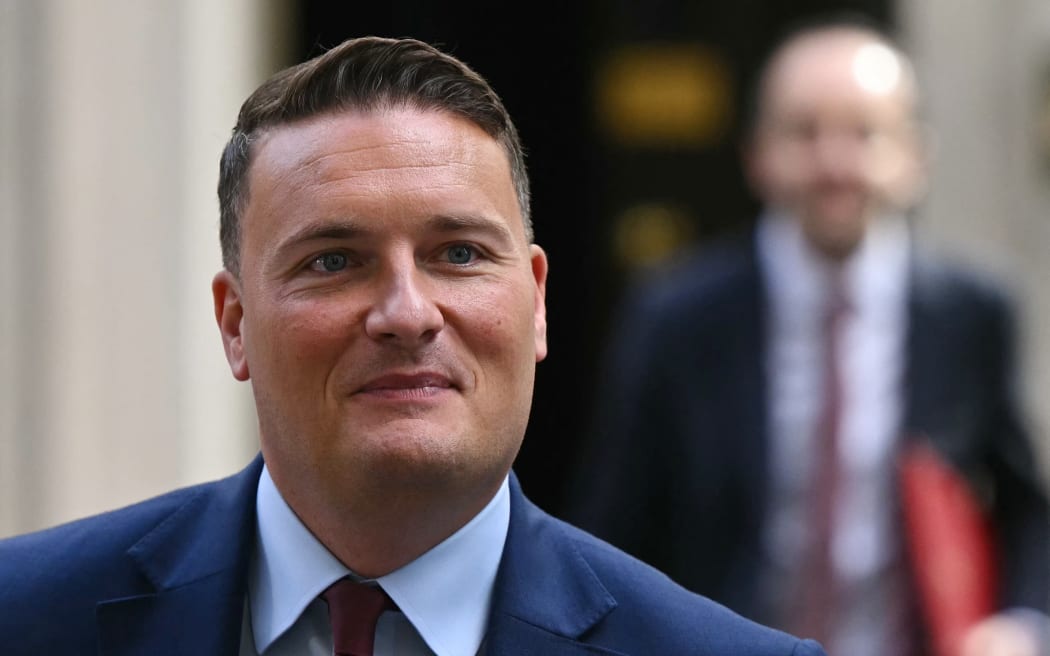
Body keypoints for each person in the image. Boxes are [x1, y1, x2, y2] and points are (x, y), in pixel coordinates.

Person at [0, 36, 827, 656]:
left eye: (458, 254)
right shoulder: (25, 617)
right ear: (234, 323)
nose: (406, 312)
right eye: (334, 261)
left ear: (536, 302)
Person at [567, 16, 1050, 656]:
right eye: (804, 132)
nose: (833, 162)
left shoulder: (969, 314)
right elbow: (612, 529)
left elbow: (1025, 508)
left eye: (864, 133)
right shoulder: (677, 317)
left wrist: (1020, 621)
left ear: (915, 156)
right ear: (757, 155)